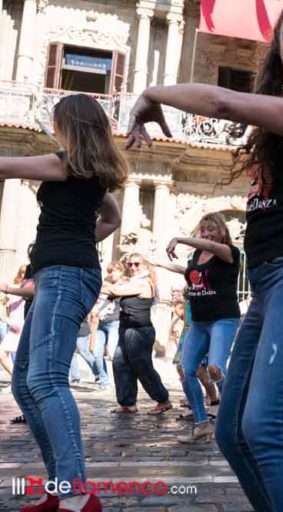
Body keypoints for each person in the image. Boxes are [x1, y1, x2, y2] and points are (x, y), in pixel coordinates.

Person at [126, 1, 283, 509]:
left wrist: (150, 93)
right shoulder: (279, 124)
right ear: (279, 57)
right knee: (233, 432)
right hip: (273, 281)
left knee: (269, 426)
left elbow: (224, 102)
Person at [5, 93, 124, 512]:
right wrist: (76, 241)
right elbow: (111, 219)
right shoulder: (92, 175)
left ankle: (75, 494)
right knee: (24, 383)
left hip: (64, 275)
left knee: (46, 381)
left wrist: (70, 247)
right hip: (62, 273)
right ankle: (62, 489)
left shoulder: (63, 164)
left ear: (67, 126)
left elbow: (5, 165)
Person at [160, 212, 241, 443]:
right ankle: (201, 424)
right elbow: (189, 275)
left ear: (222, 231)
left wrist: (180, 238)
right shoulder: (197, 255)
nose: (206, 233)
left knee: (215, 369)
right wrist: (159, 263)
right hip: (199, 321)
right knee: (186, 371)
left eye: (212, 229)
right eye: (203, 229)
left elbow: (211, 246)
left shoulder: (230, 252)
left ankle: (234, 416)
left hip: (223, 319)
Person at [105, 253, 172, 416]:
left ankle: (163, 399)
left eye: (137, 264)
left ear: (145, 266)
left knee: (142, 367)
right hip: (125, 329)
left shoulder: (145, 283)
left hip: (139, 332)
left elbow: (113, 289)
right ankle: (128, 403)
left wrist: (91, 282)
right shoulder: (130, 282)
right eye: (130, 264)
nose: (133, 267)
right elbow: (113, 291)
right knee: (120, 364)